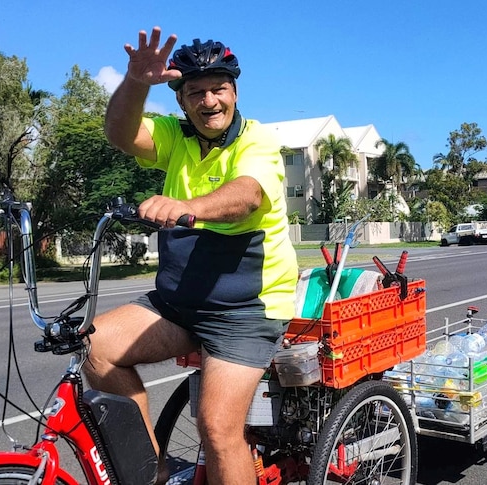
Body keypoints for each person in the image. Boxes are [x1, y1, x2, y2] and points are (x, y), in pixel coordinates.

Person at [84, 26, 298, 485]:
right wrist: (138, 80)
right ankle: (153, 469)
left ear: (235, 92)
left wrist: (189, 208)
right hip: (182, 301)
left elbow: (248, 195)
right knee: (93, 347)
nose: (209, 101)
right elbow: (120, 132)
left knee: (218, 430)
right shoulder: (175, 137)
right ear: (181, 101)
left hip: (247, 308)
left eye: (219, 89)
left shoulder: (256, 140)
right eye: (196, 92)